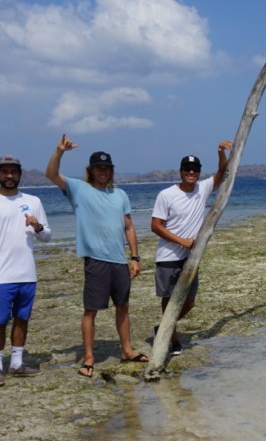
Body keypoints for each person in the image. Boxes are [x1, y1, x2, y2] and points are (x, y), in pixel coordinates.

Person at [45, 134, 147, 377]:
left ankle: (127, 350)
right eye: (99, 167)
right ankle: (89, 357)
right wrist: (59, 152)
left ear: (111, 171)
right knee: (91, 310)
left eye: (107, 168)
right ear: (90, 170)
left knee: (123, 306)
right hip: (96, 261)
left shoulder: (120, 195)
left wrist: (135, 257)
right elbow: (50, 174)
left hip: (119, 261)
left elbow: (129, 227)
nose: (103, 171)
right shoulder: (78, 189)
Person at [150, 141, 231, 355]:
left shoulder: (202, 189)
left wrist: (221, 153)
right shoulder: (166, 195)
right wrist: (180, 240)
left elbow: (223, 171)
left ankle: (163, 328)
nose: (192, 172)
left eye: (195, 169)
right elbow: (155, 226)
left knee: (190, 301)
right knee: (168, 299)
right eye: (188, 169)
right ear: (181, 171)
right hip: (168, 256)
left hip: (191, 258)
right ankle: (172, 339)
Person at [0, 154, 52, 384]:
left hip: (27, 274)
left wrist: (38, 226)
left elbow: (47, 237)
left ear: (20, 174)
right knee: (0, 321)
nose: (9, 176)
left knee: (22, 318)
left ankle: (17, 363)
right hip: (1, 275)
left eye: (13, 171)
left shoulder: (33, 201)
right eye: (4, 171)